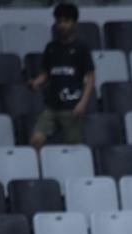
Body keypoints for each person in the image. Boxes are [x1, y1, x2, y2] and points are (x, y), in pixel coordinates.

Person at [28, 3, 95, 150]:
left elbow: (90, 77)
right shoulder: (51, 48)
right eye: (59, 21)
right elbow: (47, 74)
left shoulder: (81, 48)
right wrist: (36, 83)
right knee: (36, 140)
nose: (62, 25)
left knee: (74, 149)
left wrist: (83, 103)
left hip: (72, 108)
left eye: (66, 21)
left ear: (74, 23)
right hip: (51, 107)